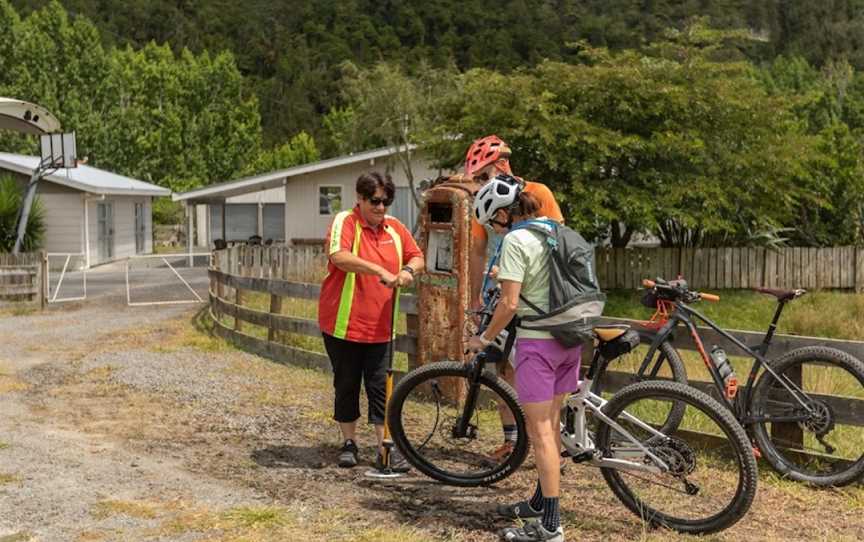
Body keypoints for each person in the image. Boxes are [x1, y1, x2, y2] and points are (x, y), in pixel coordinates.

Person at [467, 176, 579, 542]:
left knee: (541, 433)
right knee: (554, 426)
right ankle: (539, 502)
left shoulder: (516, 239)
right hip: (570, 340)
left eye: (495, 223)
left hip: (538, 344)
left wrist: (481, 338)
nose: (496, 230)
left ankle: (550, 527)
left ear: (504, 214)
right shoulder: (558, 232)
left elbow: (510, 304)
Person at [464, 135, 565, 461]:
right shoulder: (485, 202)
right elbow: (478, 251)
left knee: (539, 374)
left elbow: (558, 243)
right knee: (502, 371)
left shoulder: (540, 192)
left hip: (534, 296)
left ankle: (546, 446)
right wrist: (476, 297)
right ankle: (512, 442)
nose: (478, 185)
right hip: (500, 291)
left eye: (482, 176)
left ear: (501, 165)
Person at [318, 172, 425, 472]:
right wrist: (377, 269)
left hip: (381, 327)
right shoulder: (346, 222)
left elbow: (418, 256)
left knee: (381, 388)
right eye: (375, 201)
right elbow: (338, 256)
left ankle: (384, 448)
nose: (381, 208)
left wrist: (407, 271)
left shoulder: (395, 229)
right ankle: (349, 442)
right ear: (361, 199)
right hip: (344, 324)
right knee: (347, 383)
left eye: (386, 202)